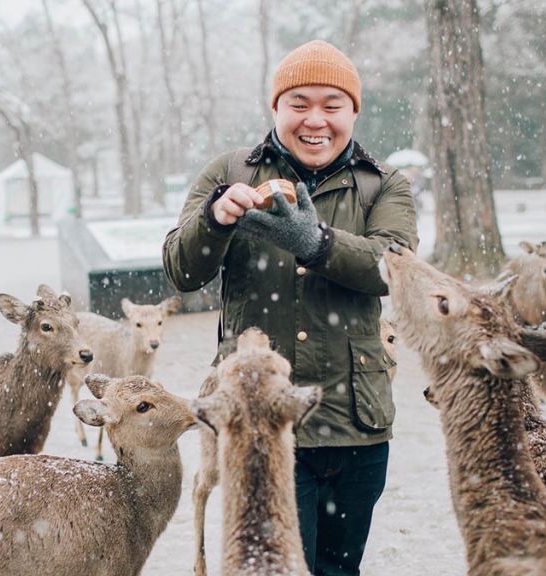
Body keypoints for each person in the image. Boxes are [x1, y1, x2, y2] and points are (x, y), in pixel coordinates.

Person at [163, 40, 418, 575]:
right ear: (275, 108)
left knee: (336, 571)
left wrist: (317, 243)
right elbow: (182, 271)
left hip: (357, 423)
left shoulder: (382, 184)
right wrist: (215, 220)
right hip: (259, 426)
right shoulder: (229, 172)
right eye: (298, 103)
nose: (315, 120)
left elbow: (394, 268)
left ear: (354, 112)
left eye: (332, 104)